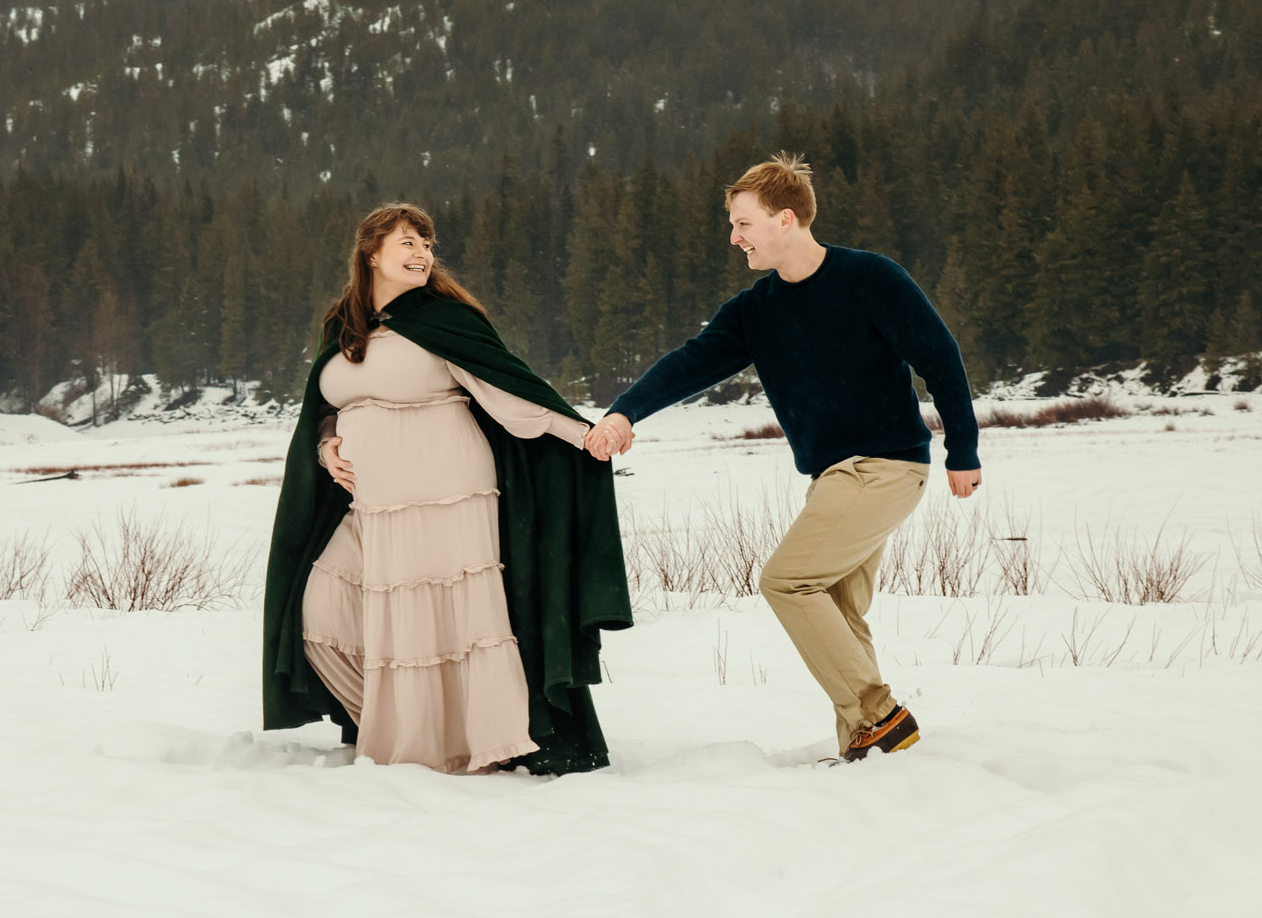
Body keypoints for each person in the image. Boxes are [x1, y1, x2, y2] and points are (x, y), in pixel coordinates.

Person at [584, 154, 982, 761]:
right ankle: (869, 750)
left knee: (788, 582)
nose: (734, 237)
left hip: (886, 466)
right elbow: (690, 364)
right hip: (831, 478)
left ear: (786, 219)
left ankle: (881, 716)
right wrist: (623, 413)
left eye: (743, 224)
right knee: (839, 608)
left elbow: (941, 358)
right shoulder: (756, 310)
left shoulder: (871, 278)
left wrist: (963, 449)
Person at [262, 203, 631, 774]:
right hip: (375, 503)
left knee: (451, 619)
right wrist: (325, 444)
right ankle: (410, 729)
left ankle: (478, 741)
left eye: (426, 244)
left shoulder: (446, 319)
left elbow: (509, 394)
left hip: (451, 489)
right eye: (407, 242)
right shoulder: (344, 326)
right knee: (322, 612)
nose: (421, 253)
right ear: (372, 253)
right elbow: (327, 406)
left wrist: (584, 435)